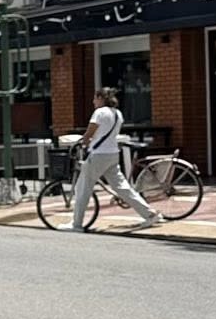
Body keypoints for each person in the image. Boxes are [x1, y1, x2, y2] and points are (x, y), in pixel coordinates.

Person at [69, 85, 163, 231]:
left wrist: (83, 142)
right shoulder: (118, 113)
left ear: (100, 98)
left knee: (82, 188)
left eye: (95, 98)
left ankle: (76, 224)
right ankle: (149, 214)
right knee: (123, 188)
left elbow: (90, 132)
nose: (93, 101)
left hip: (98, 155)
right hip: (113, 154)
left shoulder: (99, 112)